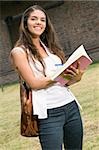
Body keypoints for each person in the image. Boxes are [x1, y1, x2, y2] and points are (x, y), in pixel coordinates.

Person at [10, 5, 83, 150]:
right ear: (25, 23)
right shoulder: (19, 52)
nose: (39, 22)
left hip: (70, 106)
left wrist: (77, 76)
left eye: (42, 20)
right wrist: (57, 76)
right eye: (34, 19)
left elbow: (64, 83)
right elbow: (34, 83)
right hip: (49, 114)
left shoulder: (51, 48)